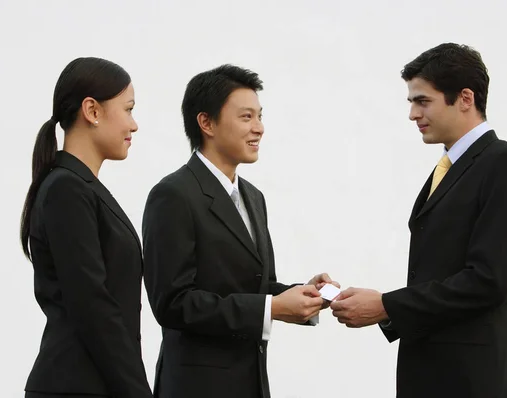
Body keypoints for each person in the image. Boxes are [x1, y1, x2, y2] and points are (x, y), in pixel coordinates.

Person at [330, 43, 507, 398]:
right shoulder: (449, 168)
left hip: (470, 380)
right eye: (412, 102)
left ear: (465, 98)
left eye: (422, 101)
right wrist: (385, 309)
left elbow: (489, 281)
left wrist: (386, 305)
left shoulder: (505, 164)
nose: (413, 113)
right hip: (427, 372)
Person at [142, 64, 338, 398]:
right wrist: (271, 308)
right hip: (196, 388)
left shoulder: (252, 196)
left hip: (251, 383)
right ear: (206, 123)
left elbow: (256, 285)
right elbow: (172, 303)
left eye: (260, 116)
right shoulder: (173, 195)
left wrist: (304, 294)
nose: (259, 128)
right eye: (246, 117)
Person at [20, 57, 153, 398]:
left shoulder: (79, 187)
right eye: (128, 109)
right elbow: (93, 307)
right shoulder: (67, 189)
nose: (134, 124)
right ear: (92, 111)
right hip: (74, 386)